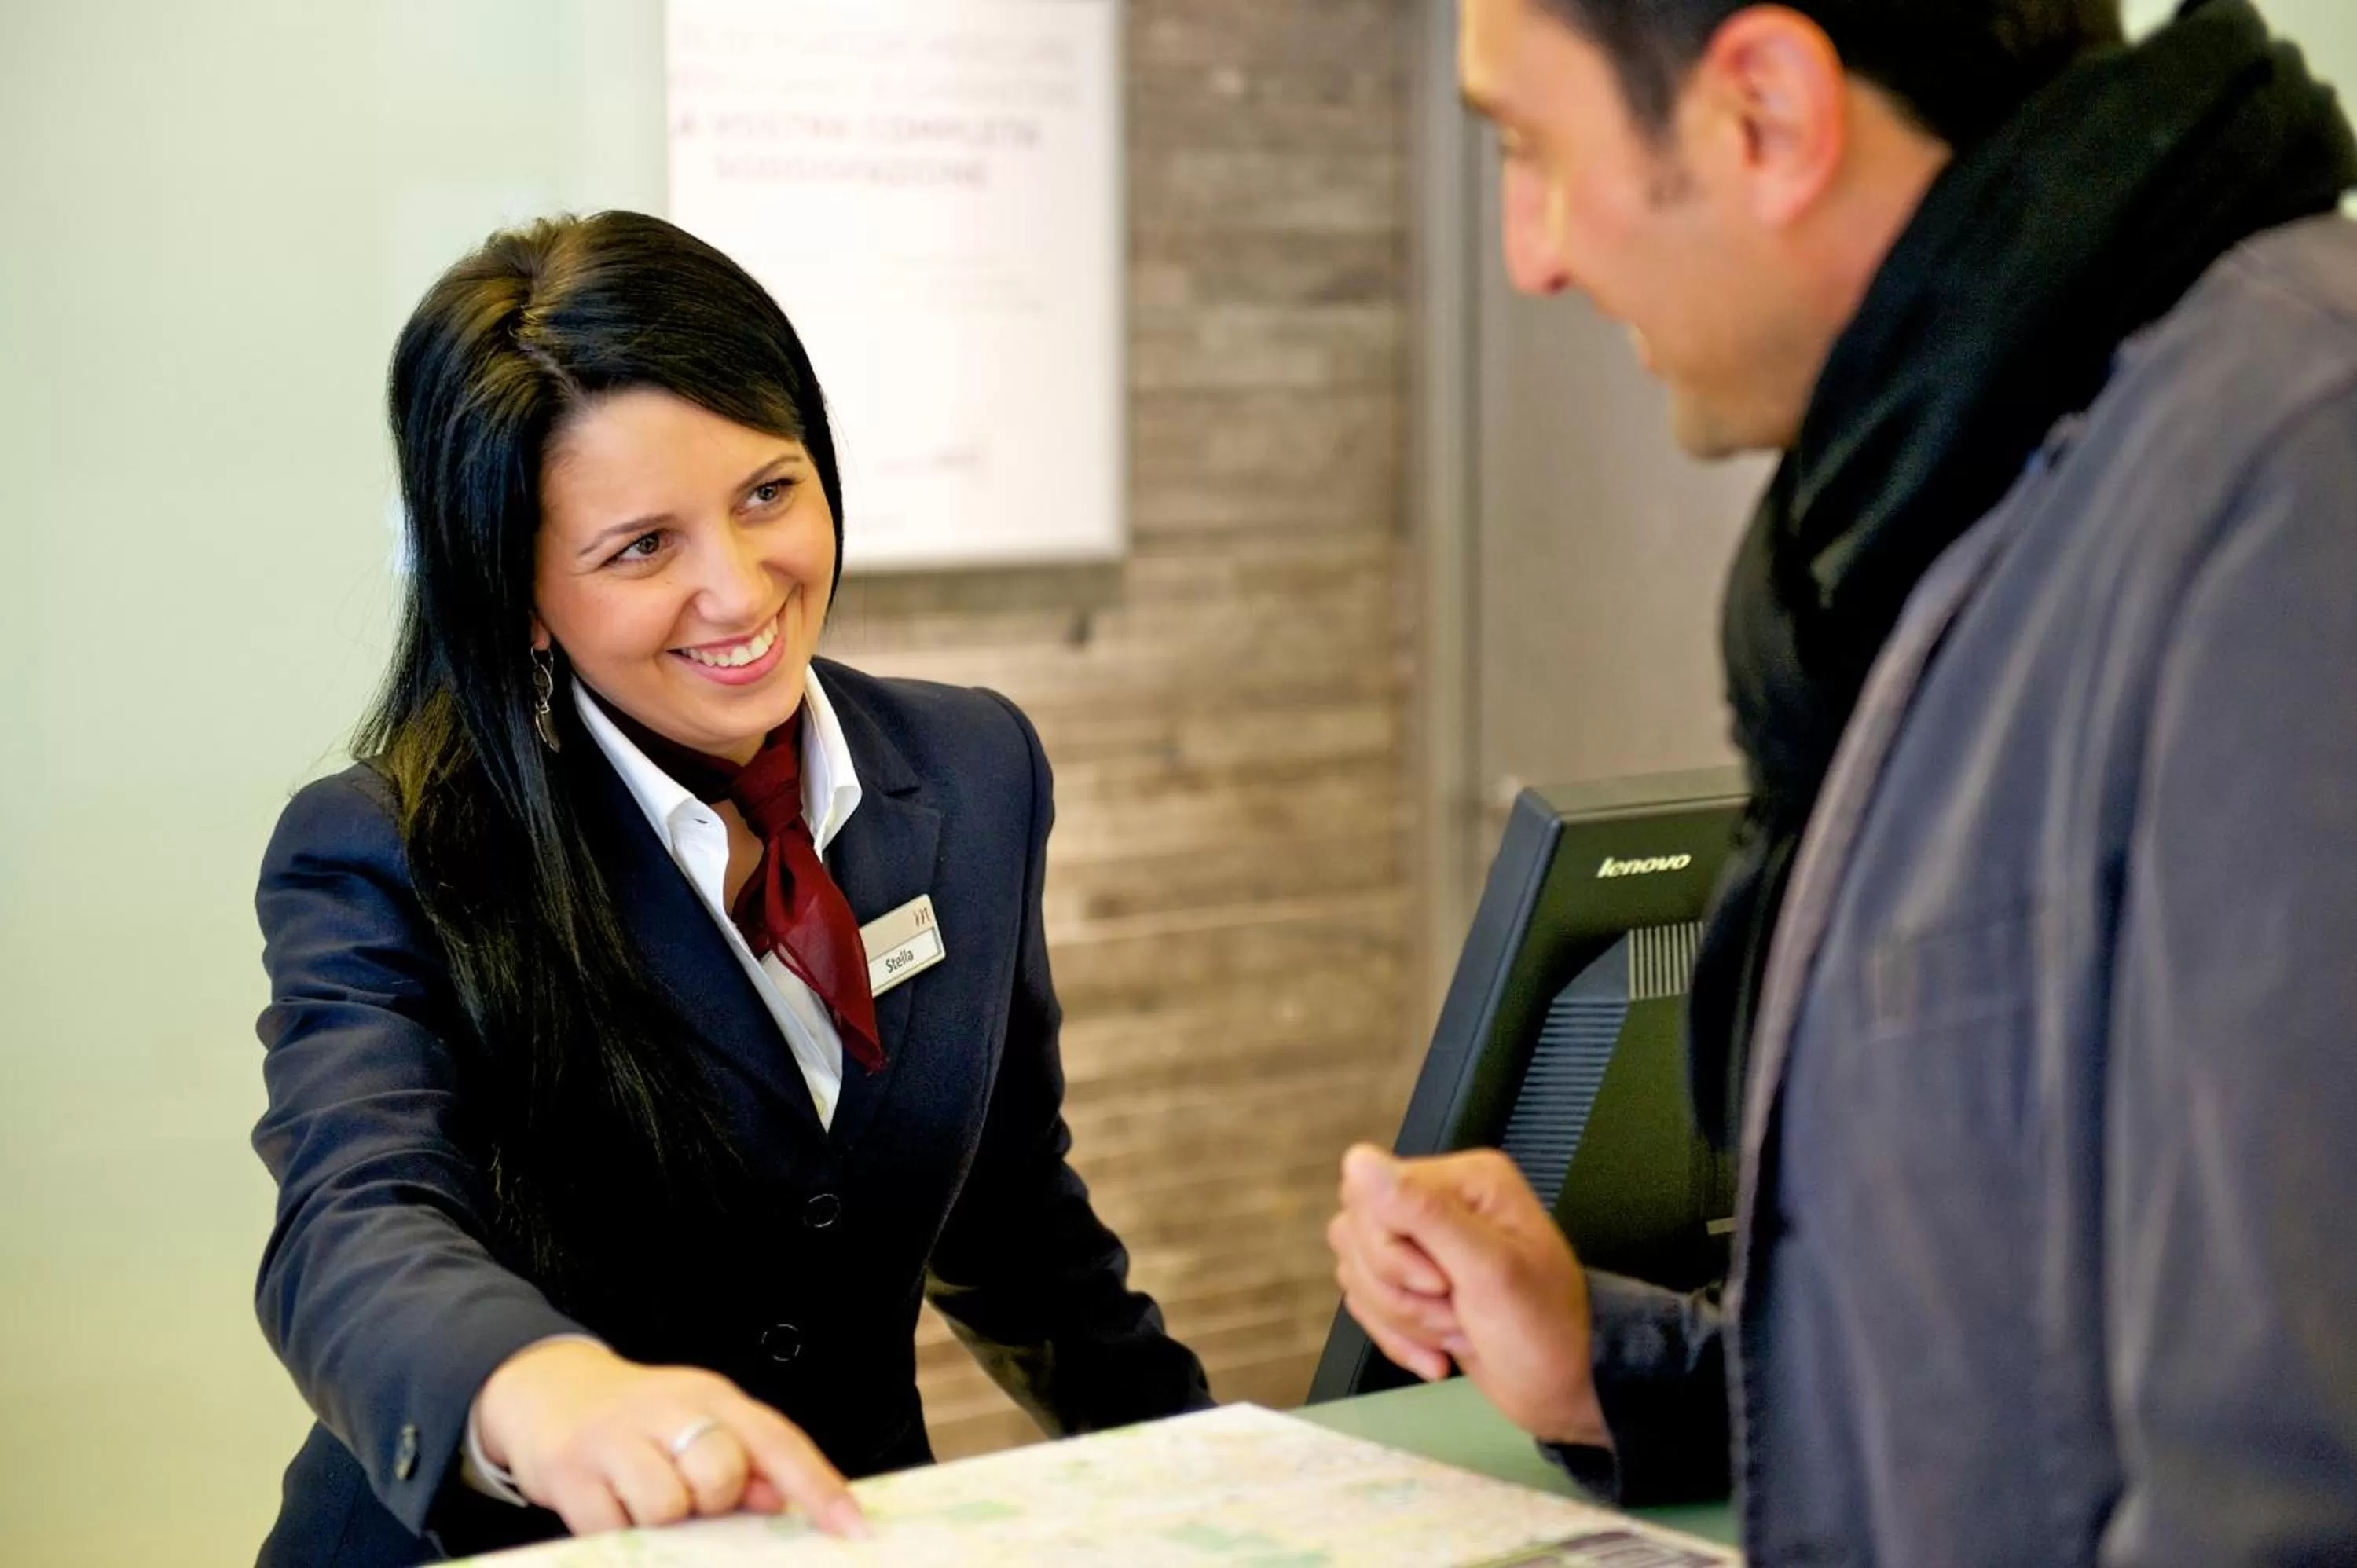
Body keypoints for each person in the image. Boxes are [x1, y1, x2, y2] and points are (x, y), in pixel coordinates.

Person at [1331, 0, 2357, 1560]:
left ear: (1769, 114)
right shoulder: (1964, 494)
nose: (1530, 254)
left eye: (1534, 149)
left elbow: (2285, 1478)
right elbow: (2016, 1359)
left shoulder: (2292, 483)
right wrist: (1605, 1359)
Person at [251, 211, 1211, 1566]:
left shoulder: (975, 770)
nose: (738, 588)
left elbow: (1018, 1235)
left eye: (768, 493)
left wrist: (1225, 1472)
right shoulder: (390, 853)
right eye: (641, 548)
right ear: (521, 595)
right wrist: (544, 1391)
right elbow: (354, 1219)